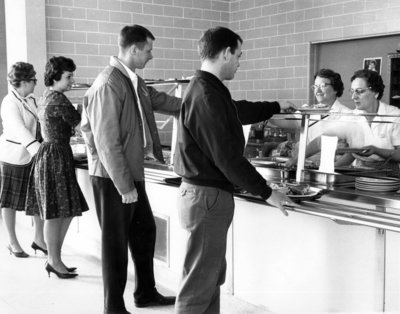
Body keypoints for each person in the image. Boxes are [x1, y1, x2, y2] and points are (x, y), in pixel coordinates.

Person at [173, 26, 296, 314]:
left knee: (210, 277)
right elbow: (228, 158)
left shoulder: (209, 90)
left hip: (205, 196)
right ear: (226, 53)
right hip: (207, 197)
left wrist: (275, 106)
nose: (239, 62)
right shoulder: (206, 94)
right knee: (198, 285)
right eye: (238, 55)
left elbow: (236, 110)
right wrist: (268, 193)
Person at [81, 24, 180, 314]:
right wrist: (125, 186)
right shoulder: (109, 83)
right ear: (134, 49)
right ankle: (113, 307)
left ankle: (145, 292)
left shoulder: (132, 81)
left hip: (130, 171)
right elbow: (107, 142)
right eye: (148, 50)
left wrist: (202, 104)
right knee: (115, 243)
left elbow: (162, 100)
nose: (151, 55)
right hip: (113, 176)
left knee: (145, 230)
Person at [25, 56, 89, 278]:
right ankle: (54, 260)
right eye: (69, 76)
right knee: (57, 213)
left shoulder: (45, 96)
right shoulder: (59, 99)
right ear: (56, 76)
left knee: (66, 211)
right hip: (56, 156)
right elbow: (83, 125)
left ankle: (55, 257)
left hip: (49, 154)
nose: (72, 80)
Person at [0, 62, 45, 258]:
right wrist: (38, 150)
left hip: (31, 156)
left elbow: (39, 123)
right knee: (9, 202)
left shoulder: (31, 99)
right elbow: (19, 130)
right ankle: (12, 241)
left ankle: (39, 239)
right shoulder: (9, 102)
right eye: (33, 80)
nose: (36, 83)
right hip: (14, 157)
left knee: (37, 198)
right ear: (24, 82)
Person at [285, 68, 353, 167]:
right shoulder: (307, 110)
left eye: (323, 86)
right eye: (315, 86)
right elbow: (285, 122)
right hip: (303, 165)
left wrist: (332, 168)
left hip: (330, 169)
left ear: (335, 89)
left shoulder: (347, 115)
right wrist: (270, 109)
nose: (318, 90)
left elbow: (352, 152)